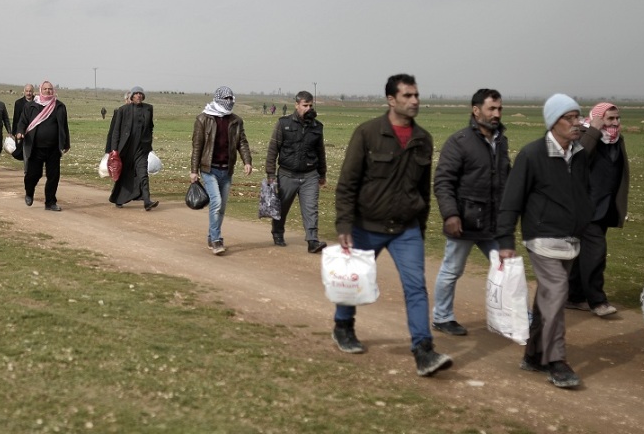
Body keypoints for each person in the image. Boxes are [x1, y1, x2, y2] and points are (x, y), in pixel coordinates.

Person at [331, 74, 451, 377]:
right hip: (366, 225)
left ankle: (423, 351)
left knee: (415, 287)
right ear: (391, 100)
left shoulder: (423, 138)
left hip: (406, 229)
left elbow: (423, 190)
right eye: (408, 96)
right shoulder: (367, 134)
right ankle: (343, 327)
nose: (415, 101)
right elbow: (348, 183)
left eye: (416, 95)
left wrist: (420, 228)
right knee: (353, 281)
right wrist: (344, 223)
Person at [497, 93, 590, 389]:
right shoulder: (532, 154)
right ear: (553, 121)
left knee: (547, 299)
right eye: (569, 118)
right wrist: (505, 238)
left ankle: (534, 354)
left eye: (578, 117)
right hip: (542, 238)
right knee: (558, 292)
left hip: (571, 239)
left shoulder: (579, 154)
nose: (576, 123)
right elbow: (512, 199)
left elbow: (583, 192)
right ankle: (556, 361)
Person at [430, 88, 508, 337]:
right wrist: (451, 215)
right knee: (452, 270)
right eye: (491, 109)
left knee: (505, 269)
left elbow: (506, 177)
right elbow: (443, 181)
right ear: (476, 111)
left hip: (493, 221)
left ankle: (515, 315)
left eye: (499, 109)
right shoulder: (459, 141)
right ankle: (442, 317)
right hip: (464, 220)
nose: (496, 114)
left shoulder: (501, 141)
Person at [565, 102, 629, 318]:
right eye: (609, 119)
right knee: (596, 253)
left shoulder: (616, 141)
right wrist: (593, 129)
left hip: (605, 207)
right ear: (597, 117)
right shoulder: (583, 134)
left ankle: (573, 296)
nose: (614, 123)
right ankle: (597, 301)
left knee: (582, 254)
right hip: (585, 207)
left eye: (617, 118)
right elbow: (577, 160)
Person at [189, 86, 252, 255]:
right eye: (227, 98)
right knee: (216, 202)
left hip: (227, 170)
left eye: (232, 98)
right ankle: (216, 239)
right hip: (209, 169)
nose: (230, 102)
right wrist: (194, 170)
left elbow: (242, 143)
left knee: (221, 207)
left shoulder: (236, 121)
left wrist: (247, 161)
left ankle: (211, 235)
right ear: (218, 99)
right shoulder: (203, 119)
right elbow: (197, 146)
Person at [264, 90, 327, 252]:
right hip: (287, 174)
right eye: (305, 105)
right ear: (297, 105)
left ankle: (313, 241)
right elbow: (273, 149)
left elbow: (320, 152)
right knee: (282, 207)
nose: (308, 108)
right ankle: (277, 232)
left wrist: (322, 174)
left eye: (310, 105)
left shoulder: (317, 127)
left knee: (311, 208)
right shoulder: (283, 124)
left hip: (310, 175)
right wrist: (271, 174)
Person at [17, 81, 70, 210]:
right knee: (33, 175)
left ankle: (50, 202)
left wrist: (66, 143)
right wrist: (19, 132)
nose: (48, 91)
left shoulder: (59, 106)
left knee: (53, 176)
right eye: (45, 89)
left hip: (53, 148)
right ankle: (29, 193)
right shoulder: (31, 106)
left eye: (50, 89)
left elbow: (64, 126)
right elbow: (22, 121)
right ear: (40, 90)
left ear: (54, 91)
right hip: (36, 148)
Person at [107, 86, 158, 210]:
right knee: (124, 173)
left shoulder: (148, 109)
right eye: (136, 93)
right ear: (132, 96)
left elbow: (150, 126)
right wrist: (114, 149)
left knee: (143, 173)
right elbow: (116, 131)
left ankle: (147, 200)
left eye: (141, 93)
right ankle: (119, 199)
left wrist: (148, 141)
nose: (139, 95)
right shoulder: (123, 110)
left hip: (141, 148)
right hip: (126, 148)